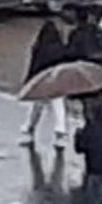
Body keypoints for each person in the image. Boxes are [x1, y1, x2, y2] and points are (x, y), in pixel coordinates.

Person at [20, 18, 70, 148]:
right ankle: (60, 134)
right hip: (56, 81)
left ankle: (29, 130)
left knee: (36, 107)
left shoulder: (38, 47)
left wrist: (29, 80)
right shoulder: (60, 48)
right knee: (58, 106)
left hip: (41, 80)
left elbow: (34, 65)